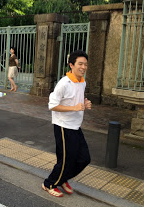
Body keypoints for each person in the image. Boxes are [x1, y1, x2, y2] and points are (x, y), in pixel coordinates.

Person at [42, 50, 92, 197]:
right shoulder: (64, 83)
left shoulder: (82, 81)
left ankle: (63, 179)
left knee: (84, 158)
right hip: (63, 126)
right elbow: (52, 105)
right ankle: (49, 184)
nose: (83, 67)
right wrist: (74, 107)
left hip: (76, 126)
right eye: (80, 64)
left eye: (85, 64)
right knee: (65, 161)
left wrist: (84, 103)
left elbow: (77, 98)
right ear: (71, 65)